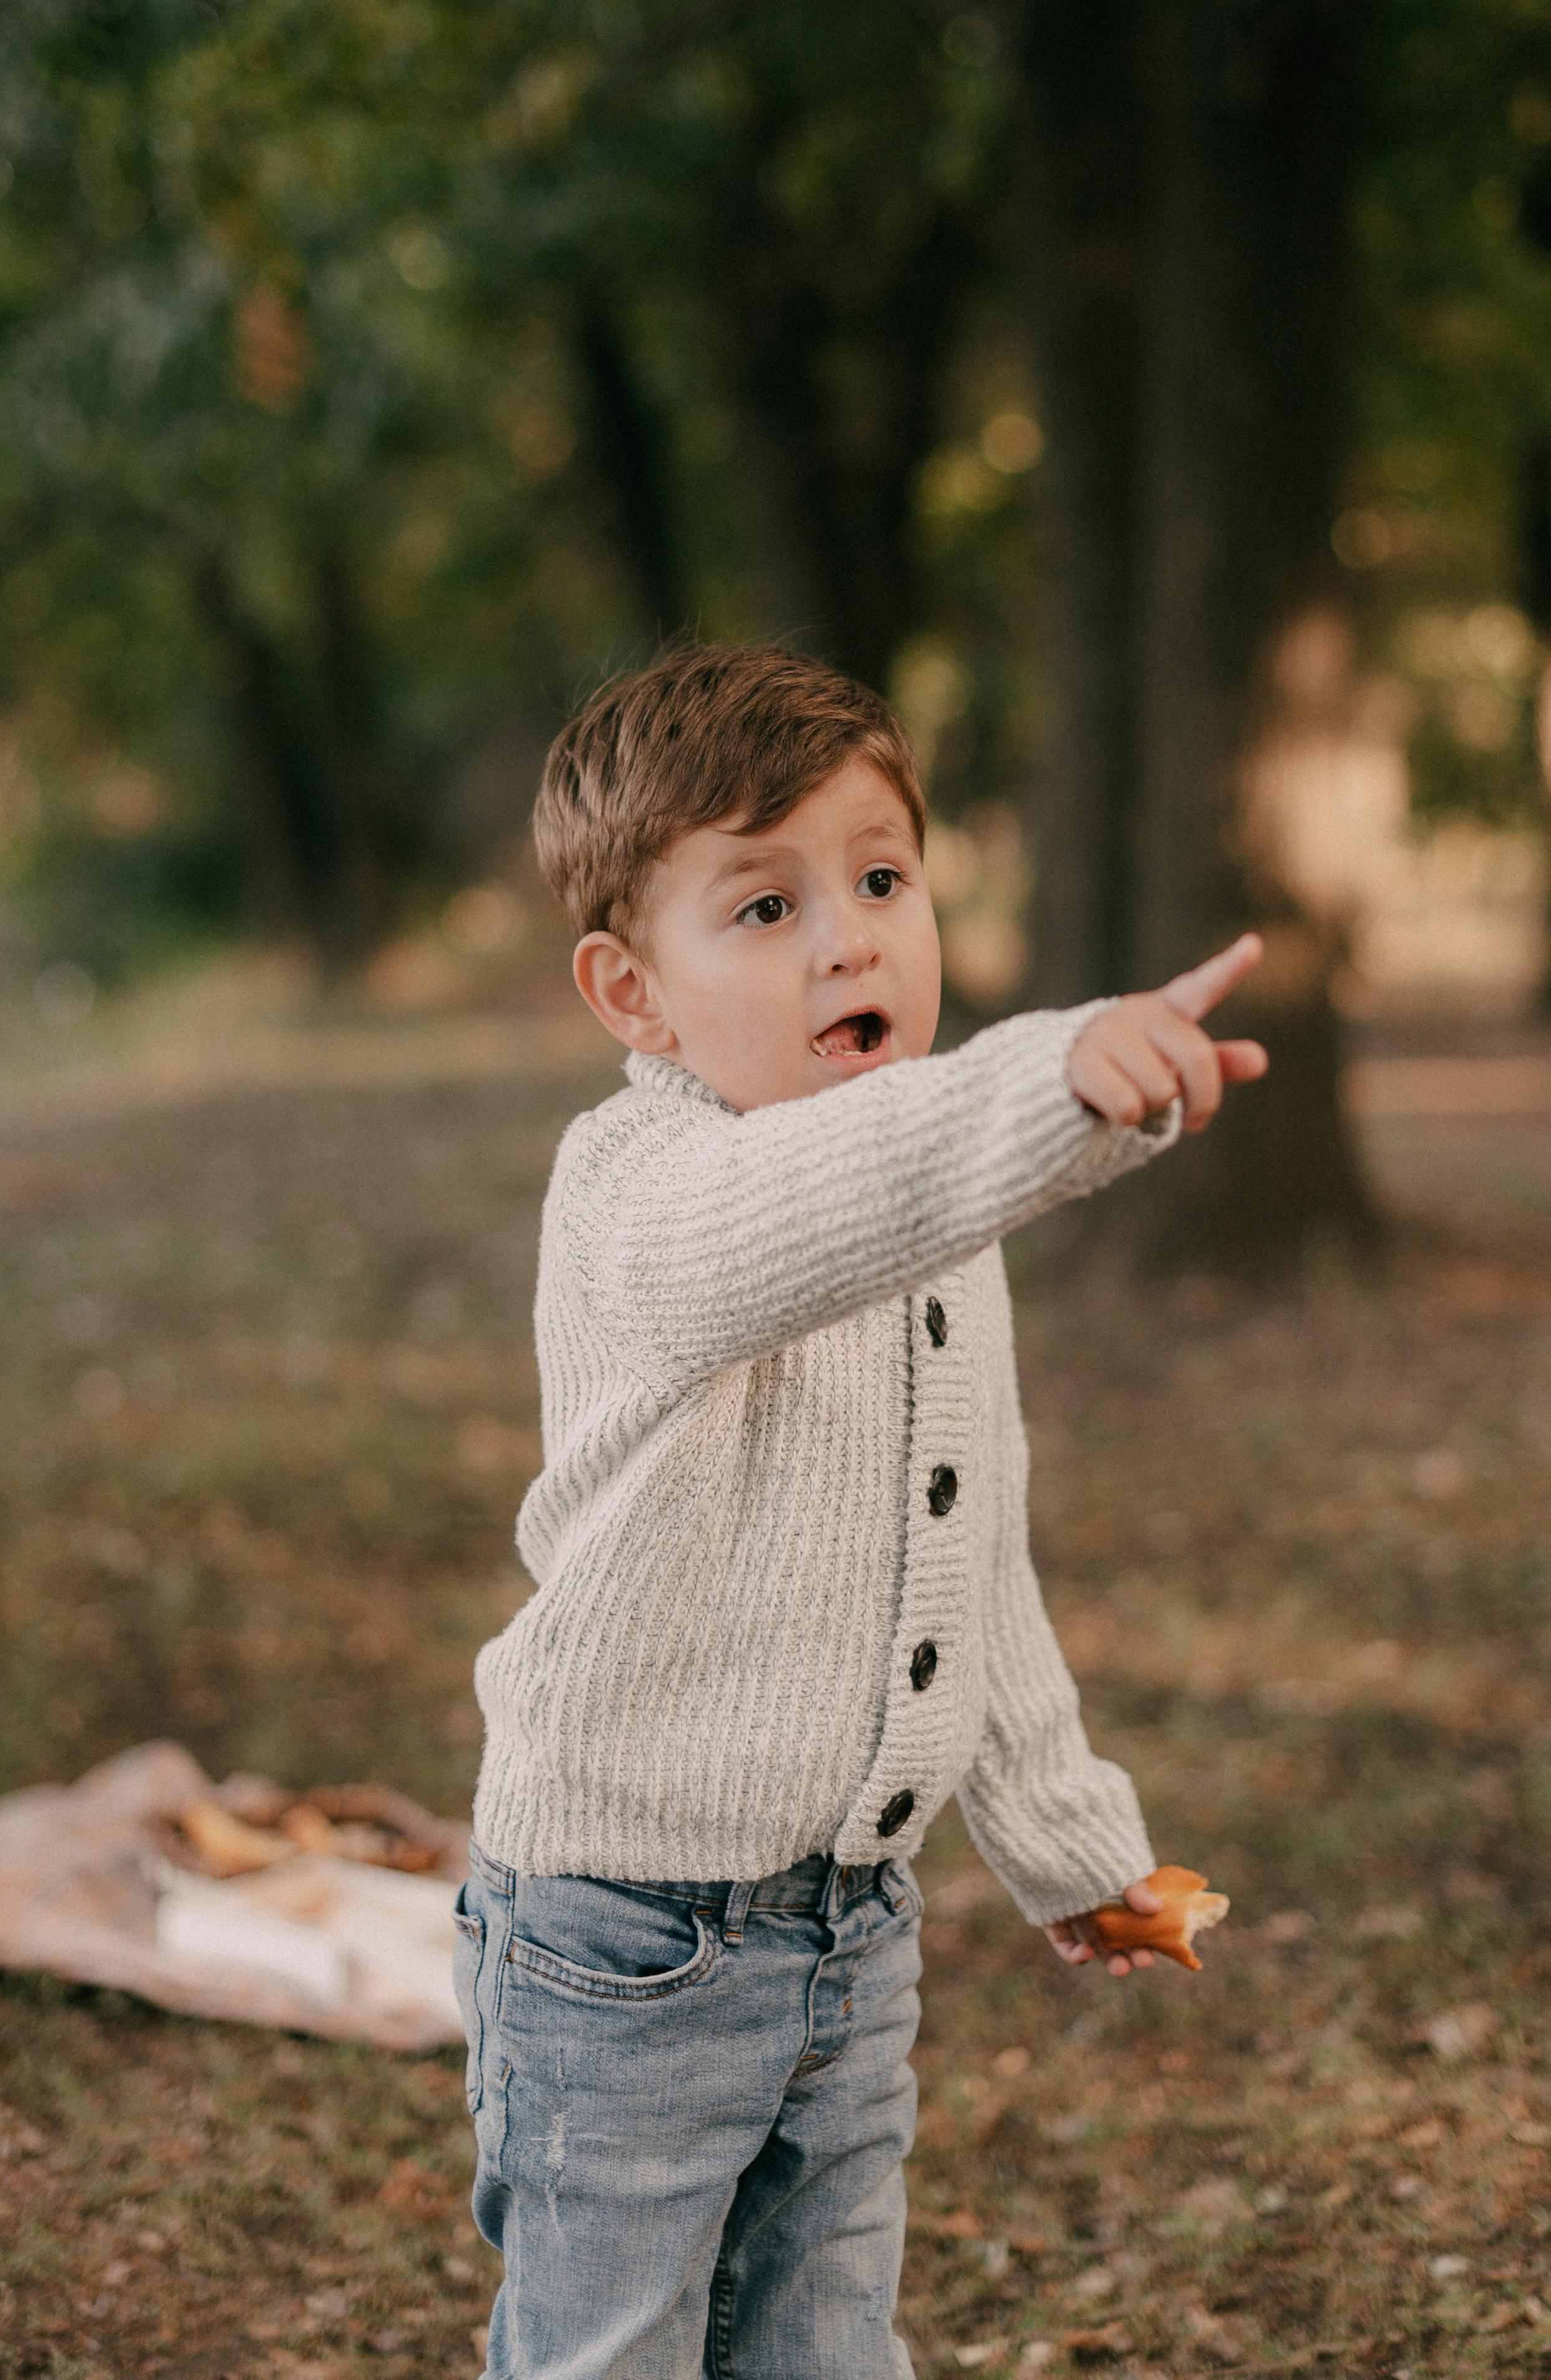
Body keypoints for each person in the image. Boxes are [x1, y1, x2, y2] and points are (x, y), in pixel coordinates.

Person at [453, 644, 1268, 2378]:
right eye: (764, 906)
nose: (851, 938)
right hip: (621, 1942)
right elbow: (815, 1200)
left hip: (850, 1928)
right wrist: (1050, 1079)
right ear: (632, 995)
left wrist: (1068, 1837)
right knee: (611, 2346)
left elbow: (974, 1560)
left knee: (826, 2338)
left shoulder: (932, 1232)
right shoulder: (644, 1194)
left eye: (883, 877)